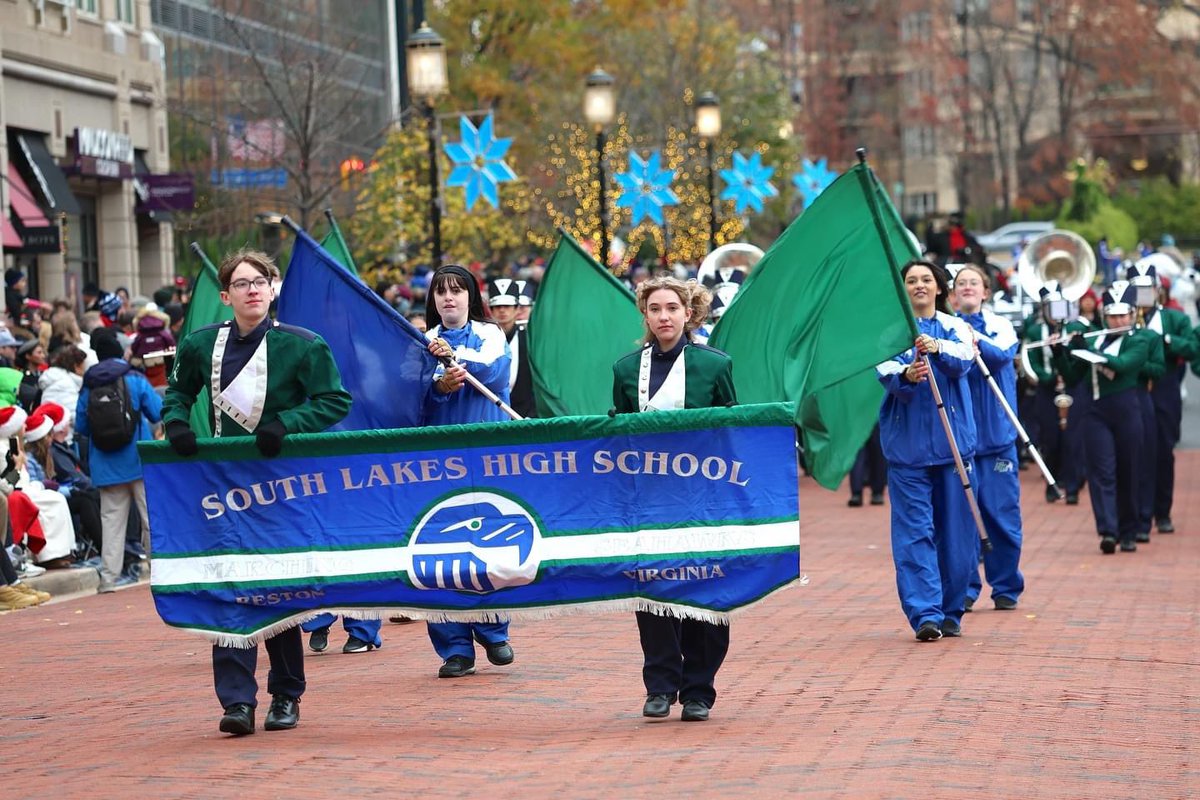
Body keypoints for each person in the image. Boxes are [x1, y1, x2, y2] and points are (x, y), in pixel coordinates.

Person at [162, 248, 352, 736]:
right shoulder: (201, 344)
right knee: (230, 588)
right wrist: (177, 423)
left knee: (277, 588)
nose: (252, 290)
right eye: (242, 283)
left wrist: (287, 423)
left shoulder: (302, 345)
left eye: (260, 282)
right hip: (223, 486)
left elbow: (335, 401)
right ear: (226, 295)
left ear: (272, 290)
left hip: (279, 486)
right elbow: (178, 392)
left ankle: (286, 694)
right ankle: (237, 702)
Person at [612, 275, 736, 722]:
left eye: (672, 308)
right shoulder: (626, 369)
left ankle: (700, 689)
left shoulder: (715, 365)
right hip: (648, 500)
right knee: (652, 589)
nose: (663, 316)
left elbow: (731, 432)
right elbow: (620, 436)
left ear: (689, 312)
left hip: (704, 499)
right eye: (655, 309)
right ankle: (660, 684)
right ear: (644, 315)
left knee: (708, 587)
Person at [420, 265, 516, 679]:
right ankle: (454, 647)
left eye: (457, 290)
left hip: (487, 454)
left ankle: (494, 629)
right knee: (438, 546)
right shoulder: (421, 341)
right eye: (441, 291)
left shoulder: (489, 334)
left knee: (490, 539)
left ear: (470, 297)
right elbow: (411, 393)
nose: (449, 297)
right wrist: (437, 387)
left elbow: (495, 371)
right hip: (438, 459)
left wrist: (453, 359)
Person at [875, 260, 977, 642]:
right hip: (907, 453)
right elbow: (883, 370)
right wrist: (907, 375)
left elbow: (964, 359)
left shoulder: (955, 327)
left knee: (957, 536)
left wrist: (937, 349)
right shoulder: (889, 333)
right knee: (914, 534)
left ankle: (952, 611)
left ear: (939, 288)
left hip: (953, 450)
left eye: (926, 279)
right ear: (902, 289)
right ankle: (925, 615)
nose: (919, 285)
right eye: (911, 280)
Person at [1059, 282, 1150, 553]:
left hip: (1127, 410)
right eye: (1113, 316)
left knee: (1128, 470)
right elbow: (1073, 377)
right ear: (1104, 316)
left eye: (1123, 315)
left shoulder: (1138, 340)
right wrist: (1061, 352)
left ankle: (1129, 530)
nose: (1118, 321)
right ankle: (1108, 531)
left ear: (1132, 315)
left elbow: (1122, 365)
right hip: (1095, 413)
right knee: (1101, 472)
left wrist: (1088, 351)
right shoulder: (1094, 340)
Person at [953, 265, 1024, 612]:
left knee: (1001, 516)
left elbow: (1001, 356)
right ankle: (964, 588)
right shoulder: (946, 327)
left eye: (974, 283)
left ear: (985, 291)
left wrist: (975, 338)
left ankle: (1006, 585)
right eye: (961, 283)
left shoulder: (1001, 325)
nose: (967, 287)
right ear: (953, 294)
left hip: (997, 440)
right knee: (962, 520)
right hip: (960, 441)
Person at [75, 326, 162, 590]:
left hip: (106, 465)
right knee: (151, 518)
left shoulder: (89, 383)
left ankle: (108, 579)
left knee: (111, 523)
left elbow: (81, 426)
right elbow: (156, 411)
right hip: (139, 459)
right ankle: (159, 572)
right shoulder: (134, 377)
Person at [1128, 267, 1196, 535]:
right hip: (1134, 387)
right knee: (1136, 451)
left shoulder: (1173, 318)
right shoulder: (1123, 319)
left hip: (1165, 387)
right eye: (1137, 291)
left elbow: (1192, 348)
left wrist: (1166, 340)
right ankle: (1139, 516)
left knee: (1164, 451)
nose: (1143, 296)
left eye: (1148, 290)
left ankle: (1162, 512)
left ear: (1158, 291)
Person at [486, 278, 537, 418]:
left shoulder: (529, 339)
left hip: (526, 416)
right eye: (497, 306)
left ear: (516, 309)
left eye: (507, 305)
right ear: (491, 310)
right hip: (492, 415)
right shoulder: (483, 340)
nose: (502, 310)